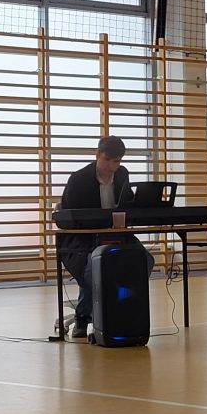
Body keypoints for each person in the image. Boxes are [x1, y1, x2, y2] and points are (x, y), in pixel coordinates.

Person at [60, 136, 154, 339]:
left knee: (145, 260)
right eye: (108, 160)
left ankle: (120, 309)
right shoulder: (78, 179)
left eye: (117, 161)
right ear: (97, 155)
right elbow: (68, 219)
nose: (112, 166)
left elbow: (127, 205)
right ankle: (83, 317)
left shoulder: (122, 175)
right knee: (96, 266)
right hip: (84, 239)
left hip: (117, 234)